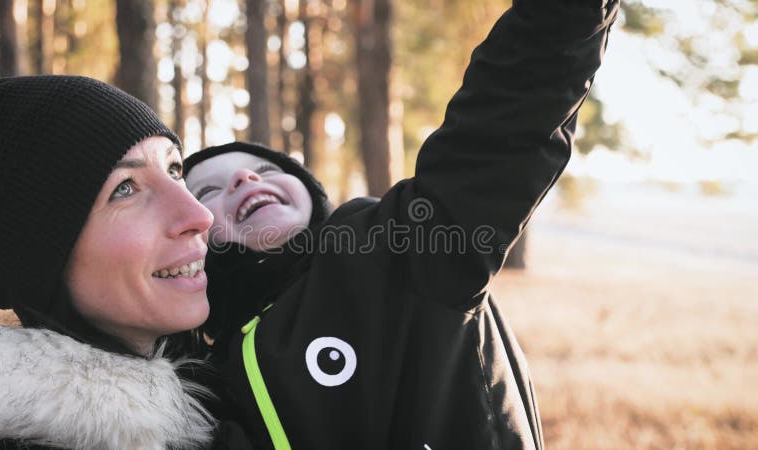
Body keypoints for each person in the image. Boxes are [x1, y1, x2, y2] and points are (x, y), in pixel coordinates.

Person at [184, 0, 621, 449]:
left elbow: (497, 128)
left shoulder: (390, 250)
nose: (244, 177)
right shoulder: (205, 378)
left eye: (268, 169)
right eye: (208, 192)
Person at [0, 76, 251, 449]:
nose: (199, 215)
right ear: (36, 262)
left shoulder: (235, 386)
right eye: (124, 188)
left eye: (175, 170)